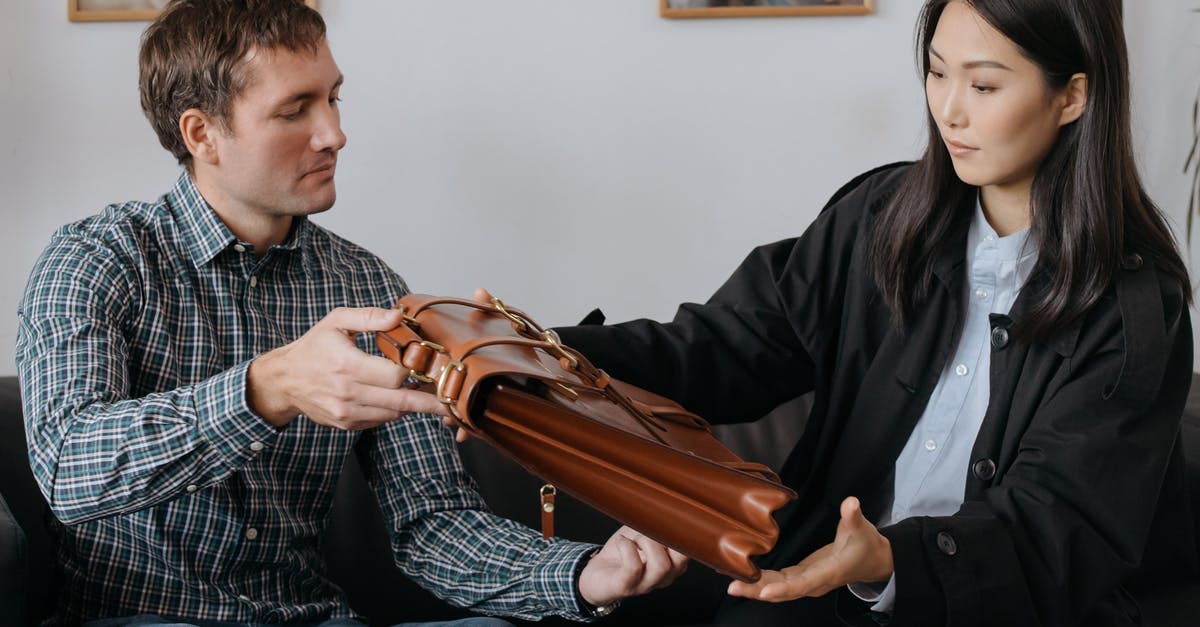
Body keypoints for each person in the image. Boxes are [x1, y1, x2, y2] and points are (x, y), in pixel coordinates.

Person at [14, 1, 685, 625]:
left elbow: (432, 522)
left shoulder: (363, 284)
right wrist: (266, 389)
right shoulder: (95, 261)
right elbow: (69, 469)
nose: (334, 133)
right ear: (202, 133)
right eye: (295, 109)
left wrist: (580, 574)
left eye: (332, 98)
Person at [547, 0, 1194, 624]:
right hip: (806, 595)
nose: (949, 110)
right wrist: (537, 358)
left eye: (985, 86)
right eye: (937, 72)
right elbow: (726, 345)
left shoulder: (1135, 306)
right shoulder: (883, 217)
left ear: (1072, 96)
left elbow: (1056, 529)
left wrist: (891, 561)